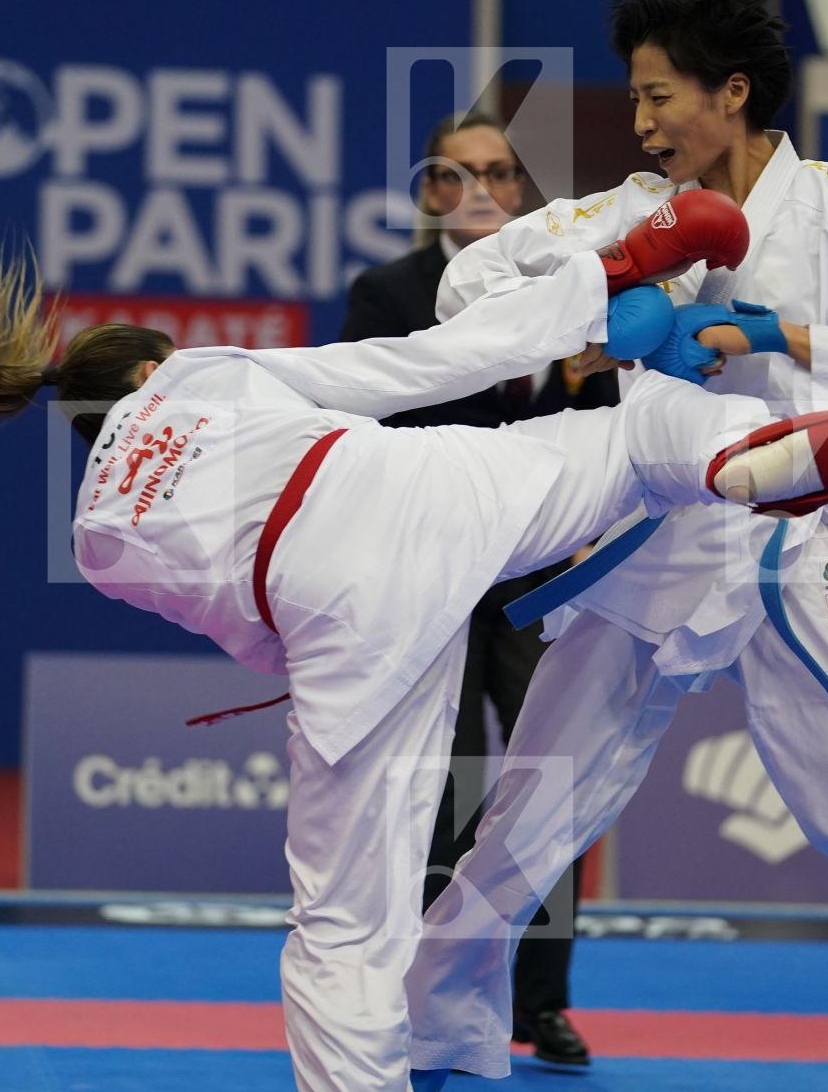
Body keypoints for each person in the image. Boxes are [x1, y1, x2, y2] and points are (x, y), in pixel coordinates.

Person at [0, 190, 828, 1092]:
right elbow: (412, 365)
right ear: (151, 367)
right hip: (405, 493)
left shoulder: (97, 542)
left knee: (340, 924)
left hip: (334, 627)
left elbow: (251, 633)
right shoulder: (196, 375)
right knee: (615, 444)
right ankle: (743, 457)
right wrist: (596, 280)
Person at [404, 0, 828, 1092]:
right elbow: (464, 282)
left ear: (733, 93)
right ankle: (434, 1040)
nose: (641, 120)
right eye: (634, 97)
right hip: (649, 548)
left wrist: (777, 332)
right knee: (513, 841)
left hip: (790, 554)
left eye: (658, 96)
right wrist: (603, 292)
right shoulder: (628, 208)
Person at [339, 110, 613, 1066]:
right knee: (445, 796)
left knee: (549, 791)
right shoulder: (385, 296)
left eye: (503, 171)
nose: (487, 189)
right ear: (431, 193)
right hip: (430, 578)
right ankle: (434, 1002)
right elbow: (362, 437)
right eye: (463, 174)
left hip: (538, 580)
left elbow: (599, 424)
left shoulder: (570, 294)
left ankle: (541, 1005)